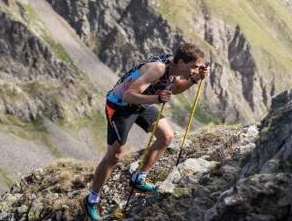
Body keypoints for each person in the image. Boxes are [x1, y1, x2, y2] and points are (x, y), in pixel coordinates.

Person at [80, 42, 210, 220]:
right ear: (181, 62)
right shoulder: (158, 69)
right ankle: (91, 200)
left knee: (167, 136)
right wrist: (157, 98)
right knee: (114, 156)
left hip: (143, 104)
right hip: (120, 106)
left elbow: (176, 89)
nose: (196, 70)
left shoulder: (175, 70)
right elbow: (127, 95)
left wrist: (196, 78)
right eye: (194, 67)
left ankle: (138, 180)